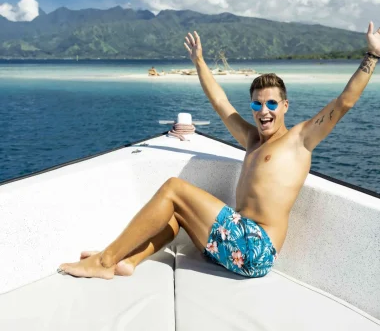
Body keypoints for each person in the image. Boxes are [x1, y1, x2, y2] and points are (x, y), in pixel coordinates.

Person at [58, 23, 380, 280]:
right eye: (257, 103)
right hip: (236, 239)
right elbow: (221, 102)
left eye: (271, 104)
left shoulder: (300, 139)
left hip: (256, 248)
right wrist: (199, 62)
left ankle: (105, 259)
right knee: (177, 217)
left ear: (285, 106)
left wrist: (372, 56)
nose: (263, 111)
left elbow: (344, 103)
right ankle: (129, 261)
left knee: (173, 189)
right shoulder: (253, 140)